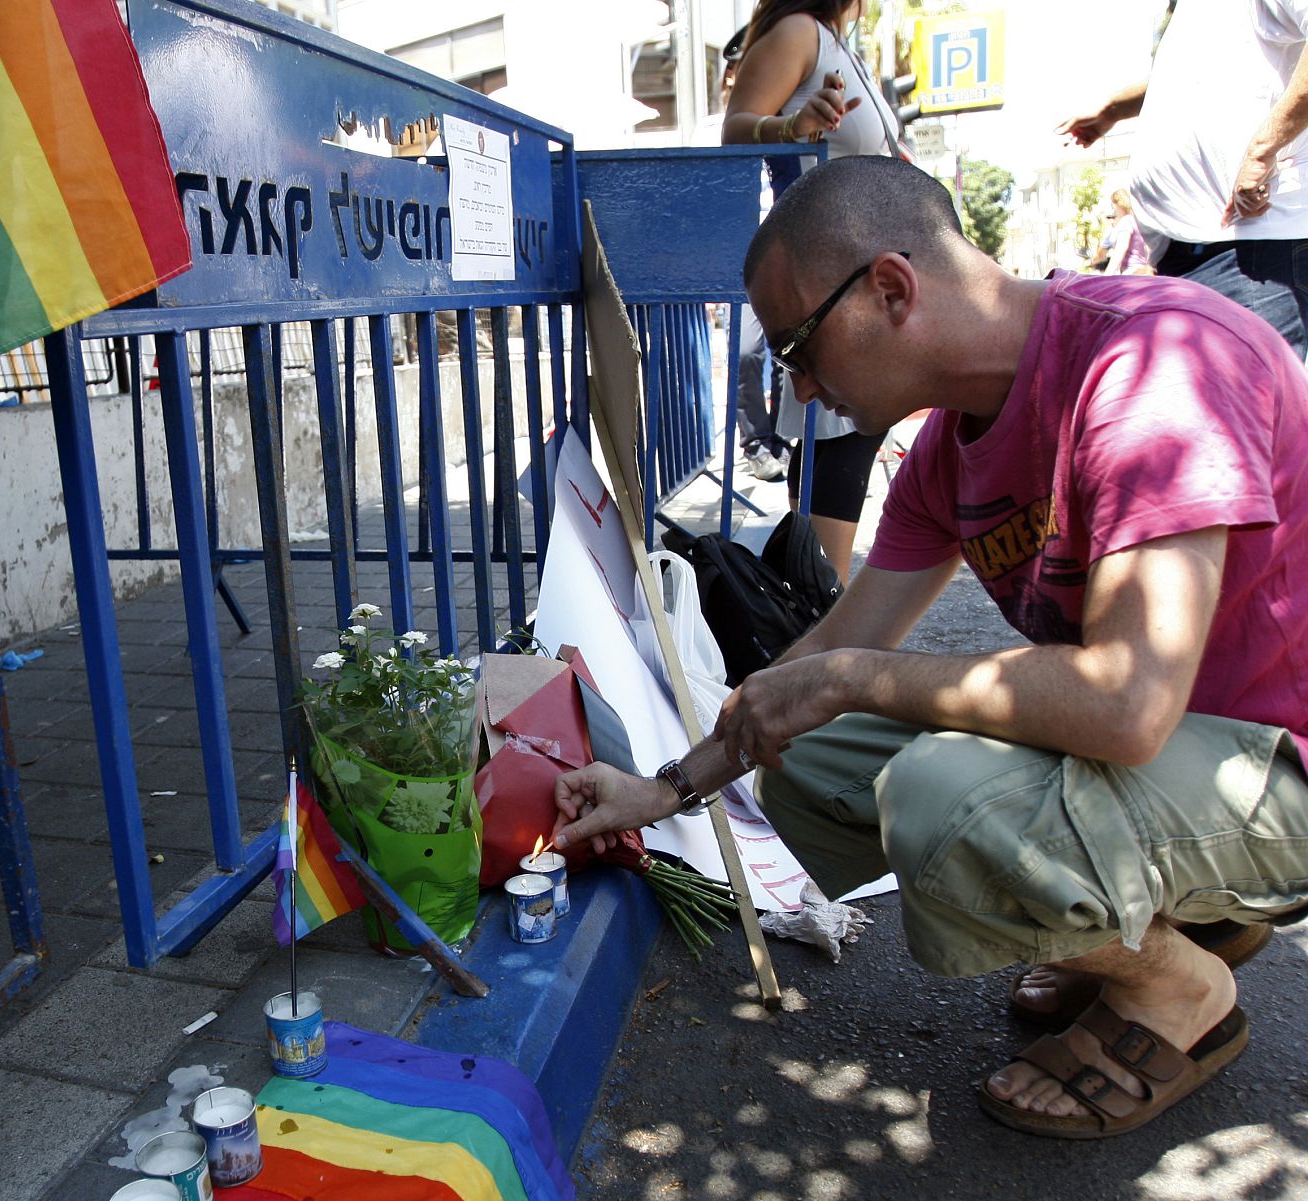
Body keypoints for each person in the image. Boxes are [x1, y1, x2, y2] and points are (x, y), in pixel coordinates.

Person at [553, 155, 1308, 1139]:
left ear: (891, 288)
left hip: (1275, 765)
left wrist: (859, 676)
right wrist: (662, 790)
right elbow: (829, 653)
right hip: (1173, 763)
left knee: (941, 801)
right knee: (809, 760)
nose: (801, 387)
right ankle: (1166, 911)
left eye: (796, 348)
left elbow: (1125, 704)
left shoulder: (1153, 369)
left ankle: (1177, 986)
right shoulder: (951, 448)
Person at [722, 0, 897, 583]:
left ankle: (817, 612)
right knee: (841, 432)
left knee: (847, 435)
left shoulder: (837, 41)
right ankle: (818, 620)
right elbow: (734, 129)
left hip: (859, 279)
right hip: (827, 279)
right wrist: (789, 129)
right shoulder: (799, 33)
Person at [1058, 0, 1308, 353]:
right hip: (1188, 258)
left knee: (1241, 404)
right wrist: (1111, 110)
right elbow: (1195, 74)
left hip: (1250, 252)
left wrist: (1262, 150)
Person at [695, 28, 790, 483]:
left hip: (783, 252)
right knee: (749, 352)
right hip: (740, 259)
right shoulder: (714, 128)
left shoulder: (783, 122)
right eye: (737, 73)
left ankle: (780, 439)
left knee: (788, 352)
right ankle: (754, 441)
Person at [1105, 187, 1153, 275]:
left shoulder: (1126, 221)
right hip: (1142, 270)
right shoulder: (1138, 221)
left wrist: (1107, 274)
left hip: (1130, 271)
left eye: (1113, 206)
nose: (1114, 211)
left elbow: (1121, 248)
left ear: (1118, 204)